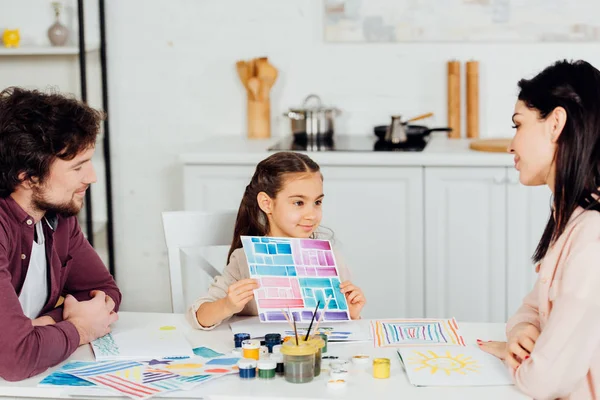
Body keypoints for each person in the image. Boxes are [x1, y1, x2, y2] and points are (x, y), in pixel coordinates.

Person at [479, 60, 600, 399]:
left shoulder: (593, 237)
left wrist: (512, 356)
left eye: (519, 125)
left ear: (555, 124)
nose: (510, 145)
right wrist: (522, 330)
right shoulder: (573, 219)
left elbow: (545, 382)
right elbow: (532, 307)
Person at [0, 87, 121, 381]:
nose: (91, 177)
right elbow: (16, 360)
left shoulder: (58, 215)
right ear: (28, 177)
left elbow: (104, 292)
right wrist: (79, 329)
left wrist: (44, 326)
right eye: (77, 167)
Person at [189, 151, 366, 329]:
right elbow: (200, 317)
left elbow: (344, 331)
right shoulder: (244, 260)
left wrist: (352, 314)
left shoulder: (331, 259)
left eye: (317, 202)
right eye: (298, 203)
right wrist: (227, 305)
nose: (312, 214)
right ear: (267, 203)